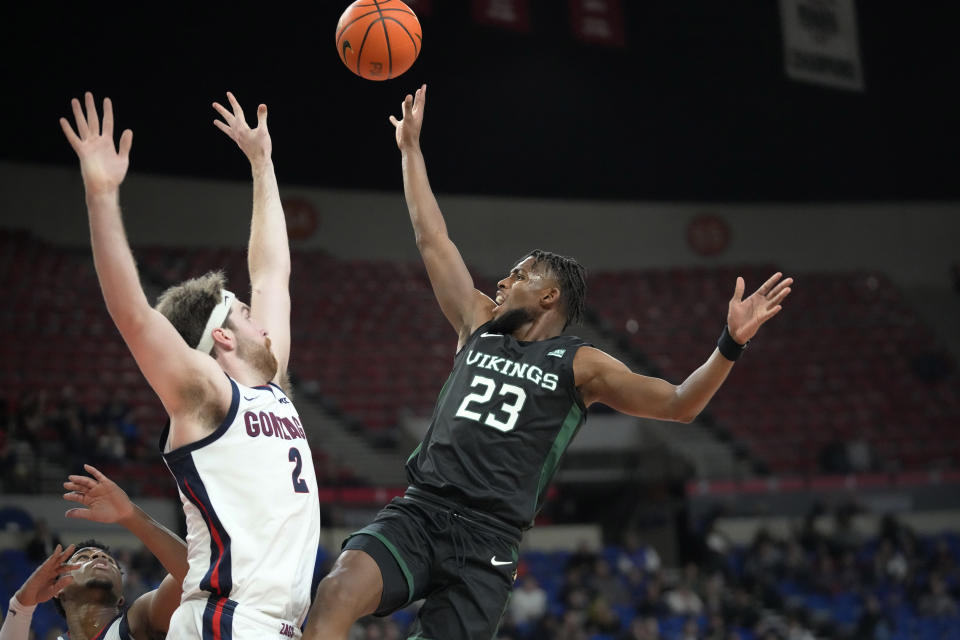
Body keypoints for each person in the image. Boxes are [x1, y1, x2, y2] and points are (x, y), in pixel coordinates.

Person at [303, 85, 793, 640]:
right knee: (338, 589)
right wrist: (410, 151)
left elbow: (680, 405)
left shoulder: (581, 363)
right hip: (421, 509)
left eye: (519, 274)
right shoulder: (477, 322)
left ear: (549, 296)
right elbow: (431, 237)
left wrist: (730, 342)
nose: (504, 280)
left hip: (489, 539)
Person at [60, 92, 320, 639]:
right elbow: (132, 315)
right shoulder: (206, 395)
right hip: (229, 621)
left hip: (275, 625)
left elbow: (273, 273)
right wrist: (102, 195)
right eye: (246, 313)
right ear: (221, 336)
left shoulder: (269, 386)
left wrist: (262, 163)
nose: (263, 322)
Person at [0, 464, 186, 640]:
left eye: (110, 561)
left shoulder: (140, 620)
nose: (98, 556)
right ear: (59, 589)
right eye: (83, 558)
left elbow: (196, 573)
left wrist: (130, 515)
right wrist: (21, 605)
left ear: (121, 596)